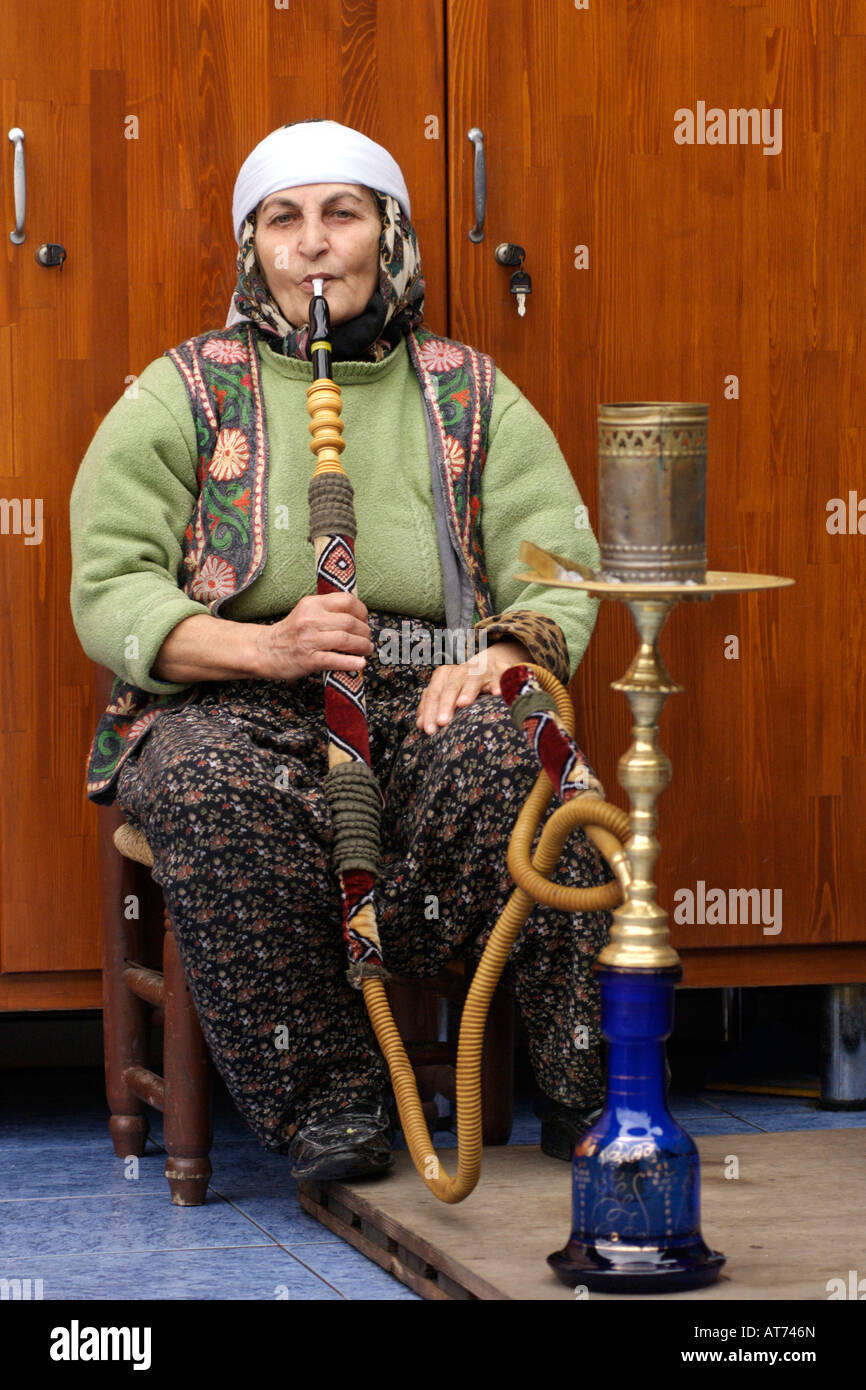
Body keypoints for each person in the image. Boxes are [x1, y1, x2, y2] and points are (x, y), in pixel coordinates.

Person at [69, 119, 614, 1183]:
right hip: (235, 692)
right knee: (205, 787)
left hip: (431, 683)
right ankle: (330, 1098)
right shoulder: (181, 390)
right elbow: (108, 586)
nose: (312, 244)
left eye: (342, 214)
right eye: (284, 219)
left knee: (524, 766)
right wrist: (259, 646)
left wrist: (503, 653)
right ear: (253, 248)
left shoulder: (468, 388)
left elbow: (555, 558)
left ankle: (588, 1085)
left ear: (390, 237)